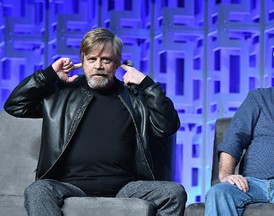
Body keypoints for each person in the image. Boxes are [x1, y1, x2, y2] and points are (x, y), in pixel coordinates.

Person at [4, 27, 187, 216]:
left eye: (106, 59)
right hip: (70, 186)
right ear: (82, 62)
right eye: (92, 59)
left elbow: (168, 126)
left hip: (125, 187)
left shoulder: (135, 98)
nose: (98, 65)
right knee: (37, 190)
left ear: (117, 64)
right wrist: (49, 75)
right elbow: (15, 106)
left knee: (174, 193)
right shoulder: (61, 94)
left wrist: (148, 85)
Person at [205, 39, 274, 216]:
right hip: (251, 183)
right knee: (219, 193)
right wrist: (226, 176)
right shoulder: (259, 98)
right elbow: (234, 137)